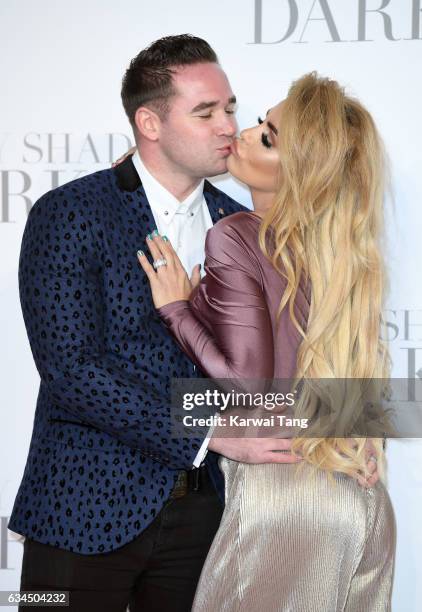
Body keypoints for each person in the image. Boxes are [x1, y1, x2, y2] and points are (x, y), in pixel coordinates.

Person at [9, 34, 325, 612]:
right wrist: (209, 434)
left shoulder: (246, 226)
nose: (227, 124)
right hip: (80, 513)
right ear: (149, 124)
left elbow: (267, 373)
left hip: (208, 519)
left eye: (229, 107)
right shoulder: (71, 212)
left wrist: (347, 428)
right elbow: (72, 372)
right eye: (204, 112)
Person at [138, 72, 396, 611]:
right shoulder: (342, 256)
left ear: (301, 172)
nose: (245, 133)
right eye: (259, 123)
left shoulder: (234, 234)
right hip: (359, 499)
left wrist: (176, 310)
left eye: (269, 137)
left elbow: (248, 385)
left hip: (280, 497)